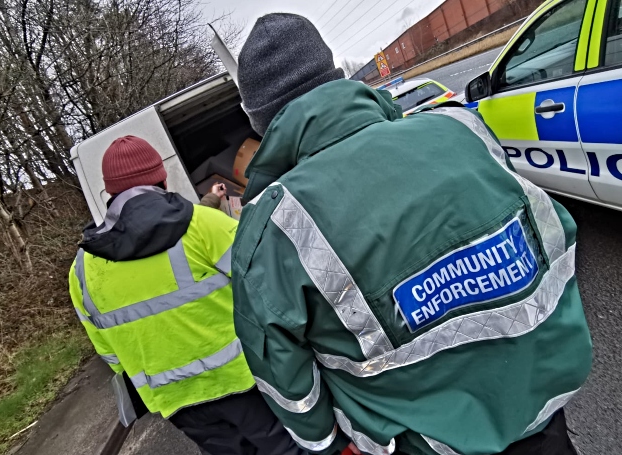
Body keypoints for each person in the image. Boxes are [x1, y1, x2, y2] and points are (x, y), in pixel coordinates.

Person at [231, 13, 592, 455]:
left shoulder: (272, 227)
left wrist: (324, 443)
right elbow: (551, 241)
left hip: (426, 444)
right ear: (336, 76)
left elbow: (286, 379)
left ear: (261, 123)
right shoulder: (462, 129)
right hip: (542, 409)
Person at [69, 135, 305, 455]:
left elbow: (109, 354)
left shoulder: (82, 269)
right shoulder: (205, 225)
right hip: (247, 381)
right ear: (162, 179)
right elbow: (274, 287)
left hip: (178, 403)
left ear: (110, 192)